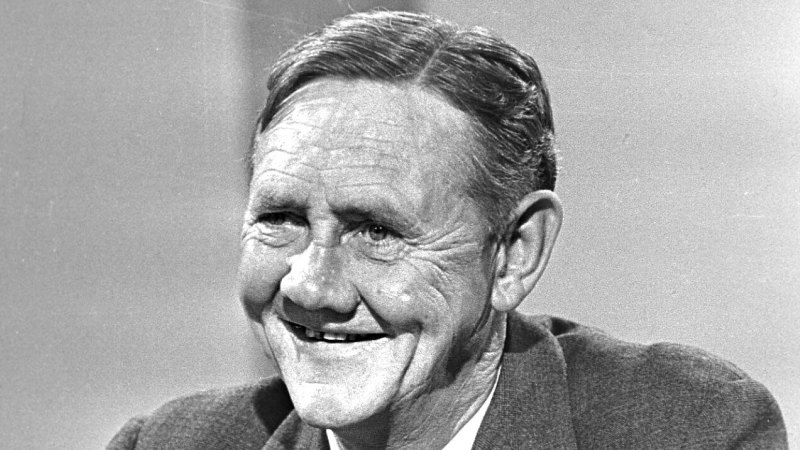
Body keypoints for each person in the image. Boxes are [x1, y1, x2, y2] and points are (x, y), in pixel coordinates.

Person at [108, 10, 787, 449]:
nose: (310, 288)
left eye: (376, 231)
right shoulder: (169, 443)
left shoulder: (687, 429)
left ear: (514, 254)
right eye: (280, 220)